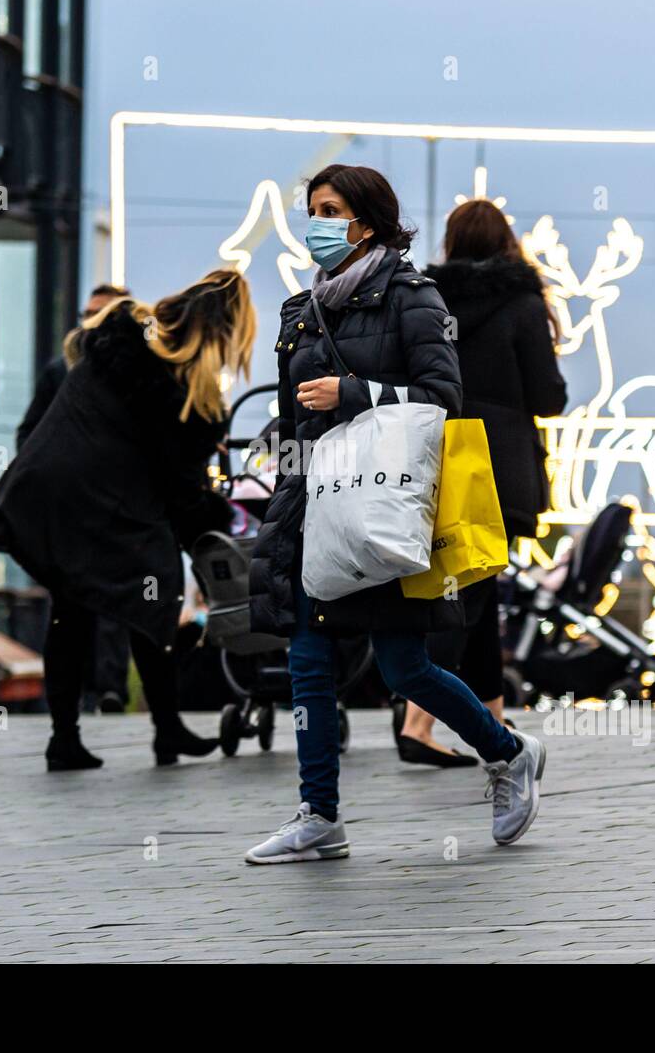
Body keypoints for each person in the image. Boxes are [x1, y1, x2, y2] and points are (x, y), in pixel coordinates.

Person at [246, 165, 545, 863]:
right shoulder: (300, 311)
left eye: (331, 211)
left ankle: (507, 753)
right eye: (313, 211)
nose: (318, 224)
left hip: (384, 506)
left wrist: (353, 393)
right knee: (308, 659)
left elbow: (443, 397)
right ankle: (319, 813)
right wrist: (279, 457)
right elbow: (297, 416)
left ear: (369, 222)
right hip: (315, 504)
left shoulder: (414, 297)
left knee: (404, 666)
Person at [0, 270, 256, 770]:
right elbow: (178, 486)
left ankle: (70, 737)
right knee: (153, 591)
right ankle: (163, 728)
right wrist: (217, 518)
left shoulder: (116, 347)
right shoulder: (178, 395)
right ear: (220, 336)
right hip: (98, 505)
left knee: (73, 610)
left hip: (50, 495)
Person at [397, 199, 569, 766]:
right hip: (498, 465)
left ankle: (491, 715)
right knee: (465, 592)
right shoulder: (522, 303)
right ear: (505, 243)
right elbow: (548, 396)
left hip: (438, 458)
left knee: (476, 585)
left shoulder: (427, 299)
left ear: (450, 243)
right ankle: (417, 722)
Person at [16, 283, 133, 715]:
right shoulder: (60, 370)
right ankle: (72, 700)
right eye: (87, 314)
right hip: (71, 507)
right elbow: (29, 434)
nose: (90, 323)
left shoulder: (140, 371)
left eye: (101, 315)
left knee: (117, 599)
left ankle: (110, 690)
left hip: (121, 505)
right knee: (69, 603)